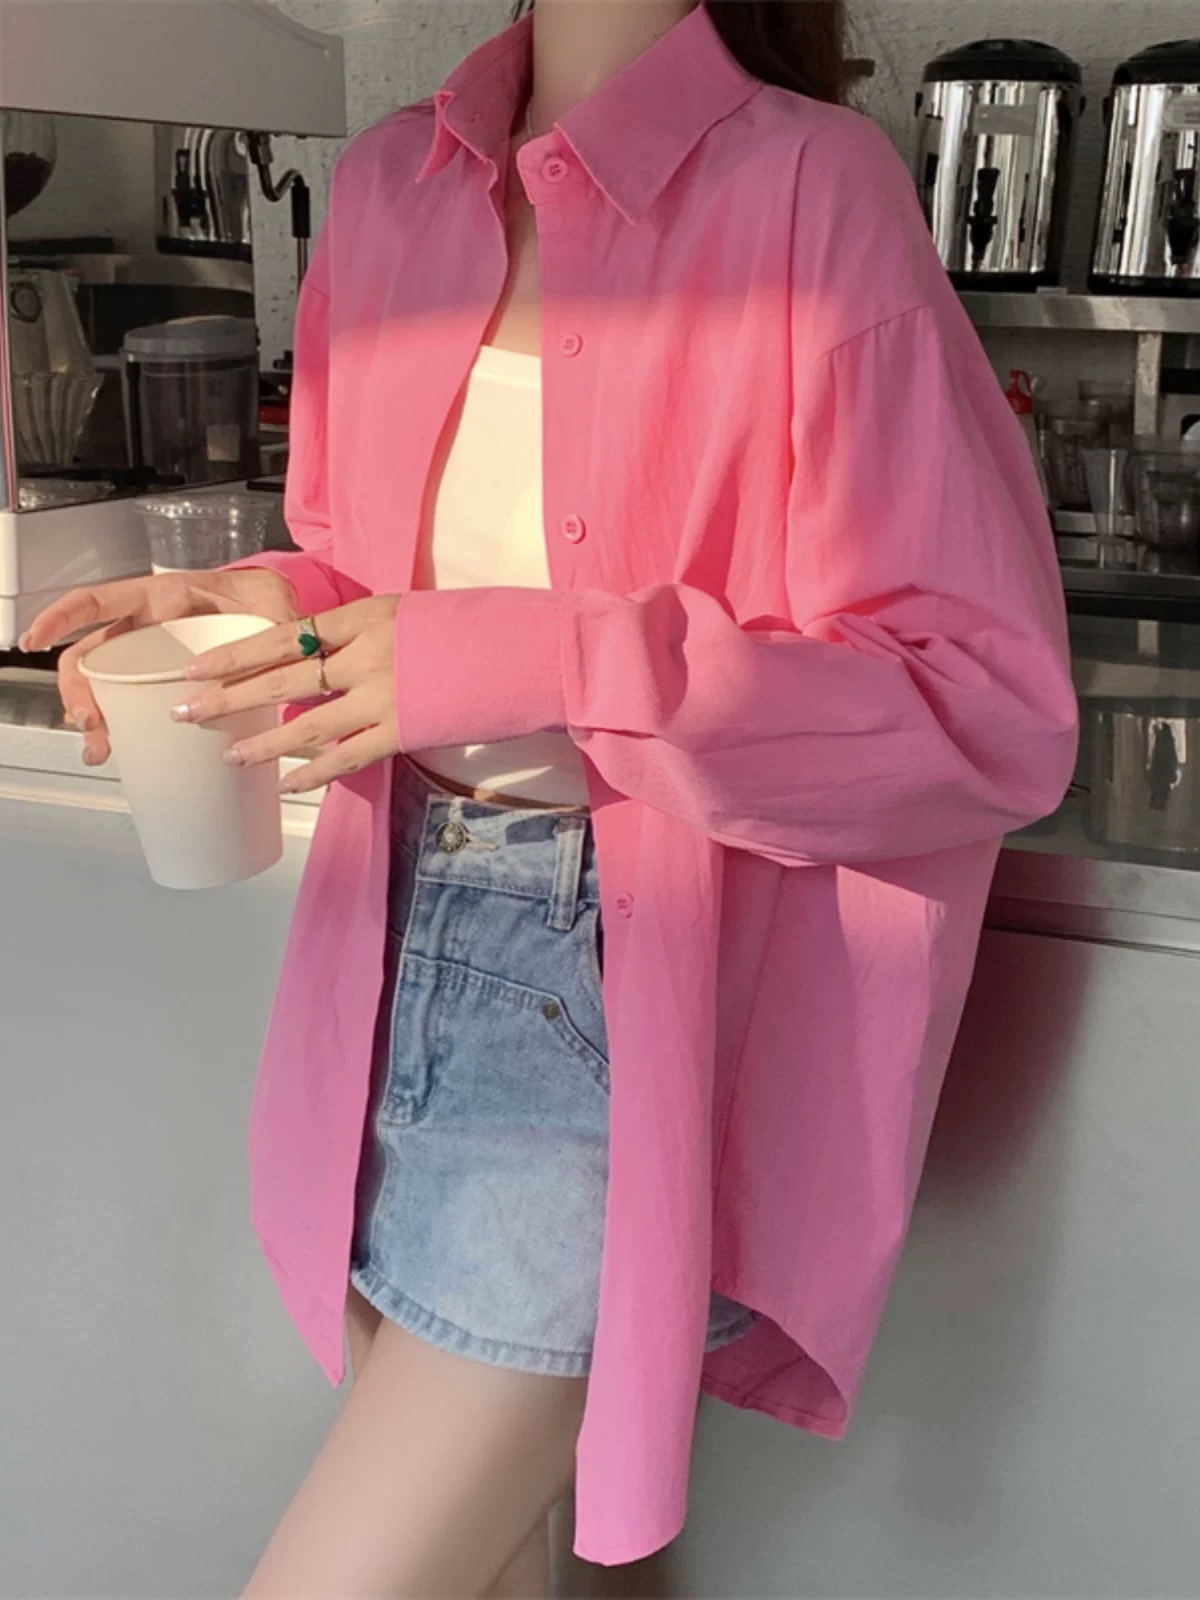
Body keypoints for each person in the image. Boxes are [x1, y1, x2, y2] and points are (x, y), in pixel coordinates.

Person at [23, 1, 1079, 1594]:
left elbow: (981, 702)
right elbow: (380, 579)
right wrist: (256, 613)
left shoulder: (814, 189)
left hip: (600, 1001)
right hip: (379, 968)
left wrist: (549, 658)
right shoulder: (390, 185)